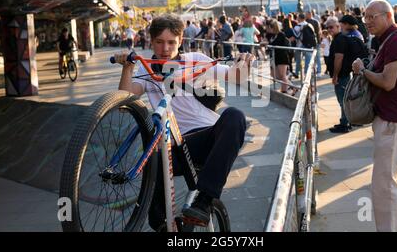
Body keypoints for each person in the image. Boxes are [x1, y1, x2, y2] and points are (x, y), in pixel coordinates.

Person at [113, 14, 255, 232]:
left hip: (208, 138)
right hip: (173, 145)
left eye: (171, 42)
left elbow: (236, 77)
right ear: (151, 41)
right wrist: (127, 68)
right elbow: (125, 98)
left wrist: (244, 63)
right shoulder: (146, 68)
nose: (165, 48)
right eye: (159, 42)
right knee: (154, 155)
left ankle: (204, 201)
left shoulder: (195, 59)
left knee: (235, 115)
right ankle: (162, 225)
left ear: (180, 41)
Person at [352, 0, 397, 232]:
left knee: (384, 185)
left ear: (388, 16)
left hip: (393, 120)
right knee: (395, 180)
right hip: (394, 118)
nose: (367, 21)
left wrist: (363, 71)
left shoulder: (395, 40)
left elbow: (388, 82)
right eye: (365, 17)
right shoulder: (390, 40)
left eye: (372, 16)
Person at [326, 18, 352, 133]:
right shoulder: (338, 38)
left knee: (343, 100)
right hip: (343, 75)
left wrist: (335, 75)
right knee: (343, 100)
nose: (329, 29)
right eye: (327, 27)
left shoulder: (339, 40)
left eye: (331, 27)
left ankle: (345, 124)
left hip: (342, 75)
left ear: (338, 26)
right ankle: (345, 121)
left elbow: (339, 58)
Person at [269, 19, 293, 94]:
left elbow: (275, 44)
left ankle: (284, 91)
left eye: (270, 27)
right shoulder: (274, 35)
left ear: (273, 27)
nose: (268, 29)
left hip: (282, 57)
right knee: (275, 75)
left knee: (282, 75)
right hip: (276, 57)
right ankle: (292, 87)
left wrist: (267, 43)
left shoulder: (281, 34)